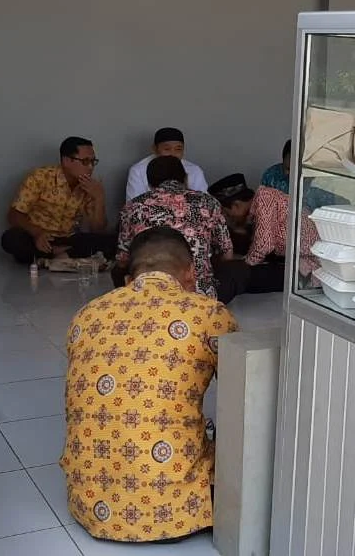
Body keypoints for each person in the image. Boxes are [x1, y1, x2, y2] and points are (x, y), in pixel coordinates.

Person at [61, 226, 238, 544]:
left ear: (129, 279)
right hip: (172, 508)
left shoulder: (86, 314)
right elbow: (241, 394)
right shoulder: (209, 314)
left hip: (88, 501)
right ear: (190, 274)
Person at [117, 156, 235, 300]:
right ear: (185, 178)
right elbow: (227, 252)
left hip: (147, 294)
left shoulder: (132, 207)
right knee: (236, 271)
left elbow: (122, 259)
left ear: (149, 184)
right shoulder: (209, 202)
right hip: (200, 295)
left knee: (118, 271)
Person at [1, 136, 115, 264]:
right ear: (66, 161)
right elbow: (14, 215)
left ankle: (49, 257)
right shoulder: (40, 177)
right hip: (38, 236)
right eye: (85, 161)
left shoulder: (91, 186)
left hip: (67, 238)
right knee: (11, 239)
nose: (90, 167)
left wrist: (99, 198)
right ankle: (62, 255)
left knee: (112, 241)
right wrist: (37, 233)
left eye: (93, 162)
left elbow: (98, 230)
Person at [125, 128, 208, 201]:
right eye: (167, 149)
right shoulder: (138, 170)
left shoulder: (194, 170)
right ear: (154, 149)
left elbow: (204, 200)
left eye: (178, 149)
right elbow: (133, 203)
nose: (173, 154)